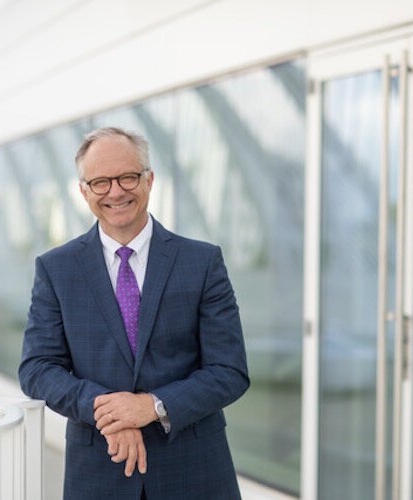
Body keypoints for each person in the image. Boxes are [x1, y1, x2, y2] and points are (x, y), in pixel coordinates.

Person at [19, 127, 249, 499]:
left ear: (149, 179)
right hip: (98, 474)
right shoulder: (56, 269)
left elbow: (230, 371)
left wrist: (150, 407)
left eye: (127, 176)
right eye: (100, 182)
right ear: (83, 191)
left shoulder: (202, 262)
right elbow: (37, 369)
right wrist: (107, 411)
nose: (115, 191)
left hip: (195, 473)